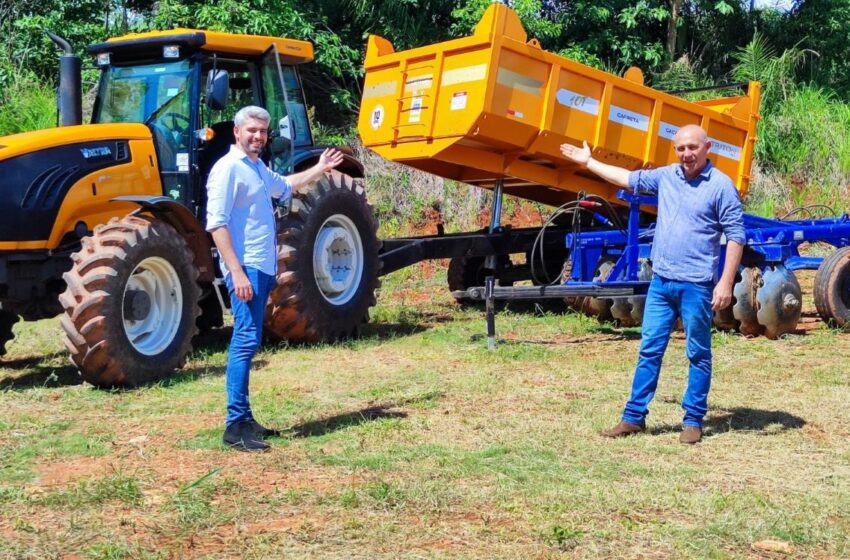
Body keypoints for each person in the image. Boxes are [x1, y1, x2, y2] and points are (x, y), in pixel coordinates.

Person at [559, 125, 745, 444]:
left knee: (697, 353)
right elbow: (626, 178)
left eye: (692, 147)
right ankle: (633, 417)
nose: (686, 154)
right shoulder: (667, 177)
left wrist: (725, 283)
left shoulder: (721, 186)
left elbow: (736, 236)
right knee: (649, 349)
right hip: (661, 283)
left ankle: (693, 420)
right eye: (680, 148)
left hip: (696, 286)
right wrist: (589, 162)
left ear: (707, 147)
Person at [206, 105, 343, 452]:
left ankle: (245, 417)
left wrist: (320, 168)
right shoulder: (228, 170)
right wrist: (236, 271)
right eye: (251, 130)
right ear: (237, 132)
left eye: (263, 132)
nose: (258, 136)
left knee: (249, 340)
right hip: (247, 268)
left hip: (262, 267)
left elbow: (285, 186)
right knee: (246, 339)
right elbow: (217, 224)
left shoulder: (256, 168)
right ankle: (235, 426)